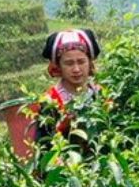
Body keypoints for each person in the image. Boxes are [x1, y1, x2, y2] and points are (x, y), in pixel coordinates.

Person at [10, 29, 105, 160]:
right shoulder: (49, 102)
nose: (76, 69)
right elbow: (43, 149)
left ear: (90, 63)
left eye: (81, 61)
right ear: (58, 66)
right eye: (69, 63)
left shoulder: (102, 95)